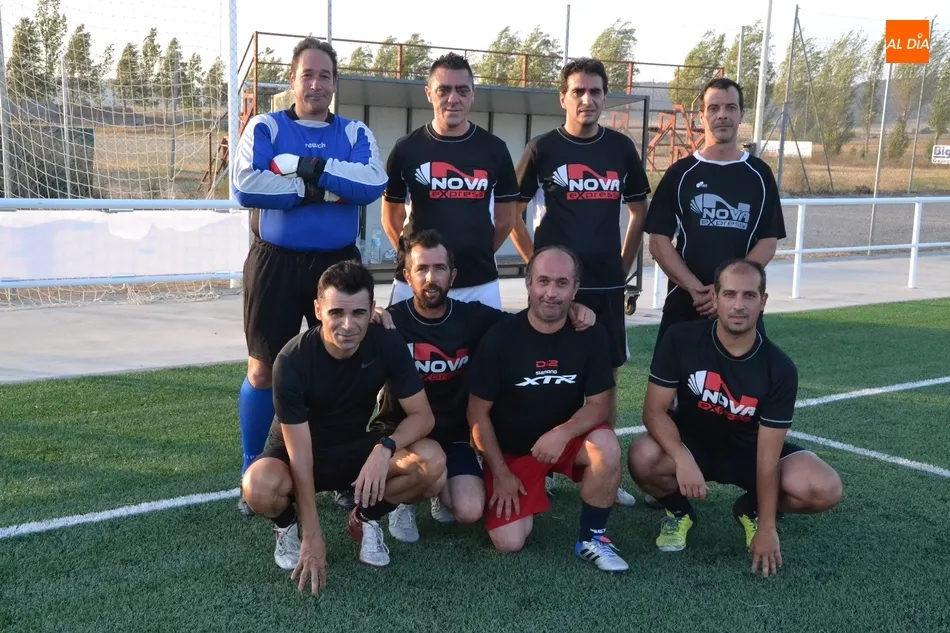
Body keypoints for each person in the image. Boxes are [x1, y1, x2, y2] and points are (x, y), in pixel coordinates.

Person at [230, 37, 388, 516]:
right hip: (275, 262)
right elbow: (246, 184)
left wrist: (300, 171)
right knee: (262, 369)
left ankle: (341, 469)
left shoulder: (355, 132)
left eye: (325, 76)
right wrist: (325, 188)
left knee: (342, 368)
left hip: (337, 264)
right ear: (293, 80)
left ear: (335, 83)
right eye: (307, 75)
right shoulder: (266, 126)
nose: (316, 84)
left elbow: (372, 184)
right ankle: (254, 467)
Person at [371, 229, 596, 543]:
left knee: (469, 510)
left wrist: (573, 308)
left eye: (439, 268)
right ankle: (403, 502)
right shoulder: (390, 323)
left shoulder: (473, 318)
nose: (431, 277)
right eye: (422, 269)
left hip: (454, 437)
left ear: (453, 275)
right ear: (407, 276)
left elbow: (529, 320)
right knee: (427, 471)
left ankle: (437, 487)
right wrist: (369, 314)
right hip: (403, 434)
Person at [627, 259, 843, 577]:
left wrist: (767, 527)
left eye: (749, 295)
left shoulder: (779, 369)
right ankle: (679, 512)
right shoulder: (680, 339)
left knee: (824, 487)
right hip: (693, 446)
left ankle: (749, 510)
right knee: (641, 455)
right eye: (729, 294)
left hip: (750, 455)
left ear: (763, 302)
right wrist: (681, 458)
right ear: (715, 299)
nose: (738, 305)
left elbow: (768, 458)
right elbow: (653, 412)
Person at [240, 260, 446, 592]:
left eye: (359, 313)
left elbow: (423, 416)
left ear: (372, 310)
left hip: (354, 448)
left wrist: (384, 449)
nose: (348, 325)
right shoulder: (292, 361)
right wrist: (313, 533)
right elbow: (301, 458)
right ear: (317, 310)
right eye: (336, 312)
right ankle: (287, 525)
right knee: (258, 486)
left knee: (432, 462)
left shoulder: (386, 343)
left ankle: (366, 519)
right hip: (297, 454)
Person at [509, 57, 651, 507]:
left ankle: (604, 469)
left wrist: (621, 266)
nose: (587, 99)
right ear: (563, 98)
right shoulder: (542, 148)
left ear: (605, 98)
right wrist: (539, 271)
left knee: (605, 378)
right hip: (553, 289)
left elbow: (640, 211)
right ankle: (544, 464)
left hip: (605, 287)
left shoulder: (621, 149)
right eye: (578, 91)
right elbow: (512, 214)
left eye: (595, 92)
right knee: (545, 373)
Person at [466, 245, 630, 573]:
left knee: (606, 445)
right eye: (543, 281)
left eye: (561, 283)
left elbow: (599, 406)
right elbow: (477, 414)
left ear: (575, 289)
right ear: (528, 284)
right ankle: (523, 485)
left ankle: (592, 538)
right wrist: (501, 474)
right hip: (512, 455)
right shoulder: (500, 338)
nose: (551, 293)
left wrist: (562, 433)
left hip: (563, 443)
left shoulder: (591, 335)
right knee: (509, 542)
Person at [643, 76, 787, 348]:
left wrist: (728, 292)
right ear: (702, 116)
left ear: (741, 115)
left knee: (744, 376)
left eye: (730, 107)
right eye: (714, 108)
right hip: (687, 304)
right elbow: (658, 242)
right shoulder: (680, 173)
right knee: (672, 376)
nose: (722, 115)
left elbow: (768, 242)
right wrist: (696, 289)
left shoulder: (759, 174)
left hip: (739, 309)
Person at [381, 52, 520, 310]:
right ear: (429, 93)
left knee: (486, 340)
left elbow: (506, 220)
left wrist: (475, 252)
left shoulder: (495, 149)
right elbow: (391, 218)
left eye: (462, 90)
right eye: (443, 90)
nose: (453, 99)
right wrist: (417, 261)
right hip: (417, 285)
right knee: (402, 339)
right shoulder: (406, 149)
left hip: (479, 283)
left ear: (472, 94)